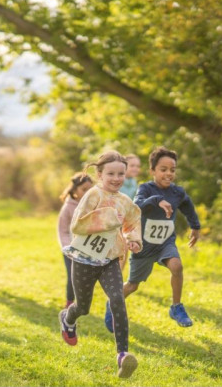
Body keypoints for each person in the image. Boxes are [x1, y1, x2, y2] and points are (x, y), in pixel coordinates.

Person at [58, 151, 142, 379]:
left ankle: (123, 355)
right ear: (99, 174)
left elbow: (133, 222)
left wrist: (133, 239)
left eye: (121, 174)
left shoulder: (125, 201)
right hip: (85, 259)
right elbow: (77, 224)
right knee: (83, 307)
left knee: (117, 299)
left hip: (110, 260)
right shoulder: (93, 195)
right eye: (111, 173)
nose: (116, 178)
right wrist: (108, 218)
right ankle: (68, 318)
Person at [105, 147, 200, 330]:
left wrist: (195, 226)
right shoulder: (146, 188)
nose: (168, 174)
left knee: (177, 266)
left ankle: (176, 307)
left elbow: (187, 205)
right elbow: (137, 204)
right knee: (133, 285)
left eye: (172, 170)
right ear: (153, 171)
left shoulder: (177, 192)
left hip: (165, 242)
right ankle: (112, 303)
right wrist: (157, 200)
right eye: (163, 170)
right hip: (143, 246)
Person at [57, 172, 93, 308]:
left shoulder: (93, 206)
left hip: (88, 249)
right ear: (75, 190)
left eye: (90, 190)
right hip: (70, 250)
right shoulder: (67, 208)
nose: (87, 193)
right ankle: (69, 304)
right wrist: (67, 248)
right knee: (72, 278)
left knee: (84, 279)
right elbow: (62, 231)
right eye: (84, 189)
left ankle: (81, 304)